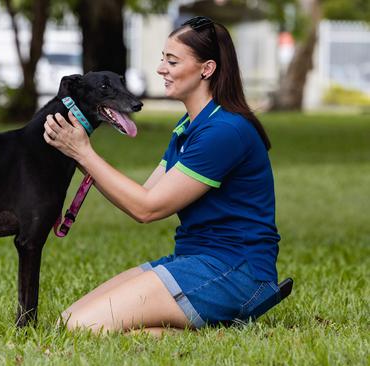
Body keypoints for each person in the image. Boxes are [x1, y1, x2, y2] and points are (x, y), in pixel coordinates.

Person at [43, 16, 280, 336]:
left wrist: (83, 152)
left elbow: (148, 207)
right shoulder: (189, 127)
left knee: (82, 329)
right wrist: (78, 154)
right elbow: (142, 197)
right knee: (66, 322)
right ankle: (209, 328)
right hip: (194, 262)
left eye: (172, 60)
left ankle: (214, 329)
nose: (160, 68)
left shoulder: (224, 131)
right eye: (162, 59)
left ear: (206, 69)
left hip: (234, 273)